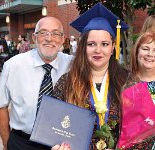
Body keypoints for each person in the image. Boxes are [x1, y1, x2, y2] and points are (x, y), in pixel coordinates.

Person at [51, 2, 133, 150]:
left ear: (113, 47)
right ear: (83, 47)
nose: (98, 50)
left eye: (105, 44)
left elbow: (140, 128)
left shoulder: (128, 81)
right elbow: (54, 126)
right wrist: (57, 145)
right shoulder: (67, 82)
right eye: (91, 44)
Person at [0, 16, 73, 150]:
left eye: (55, 34)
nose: (49, 38)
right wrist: (7, 143)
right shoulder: (13, 66)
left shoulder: (74, 64)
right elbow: (0, 105)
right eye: (43, 33)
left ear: (62, 39)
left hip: (62, 144)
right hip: (22, 142)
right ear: (34, 38)